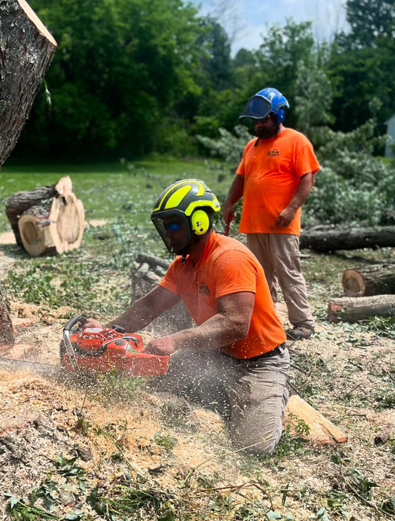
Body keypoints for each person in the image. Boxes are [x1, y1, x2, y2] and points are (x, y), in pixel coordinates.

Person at [85, 179, 290, 455]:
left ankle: (270, 395)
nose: (167, 234)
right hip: (216, 355)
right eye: (163, 227)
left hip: (260, 361)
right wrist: (109, 331)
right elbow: (150, 306)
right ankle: (228, 394)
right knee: (151, 383)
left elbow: (236, 324)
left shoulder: (228, 258)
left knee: (252, 447)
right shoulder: (183, 265)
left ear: (199, 222)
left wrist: (176, 340)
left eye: (172, 226)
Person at [222, 87, 320, 341]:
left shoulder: (296, 141)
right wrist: (229, 203)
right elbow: (241, 178)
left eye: (263, 119)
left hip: (281, 223)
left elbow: (307, 178)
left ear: (278, 115)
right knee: (260, 277)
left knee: (288, 273)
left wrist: (290, 209)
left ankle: (303, 323)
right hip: (254, 223)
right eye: (255, 122)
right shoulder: (251, 146)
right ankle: (269, 322)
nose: (258, 126)